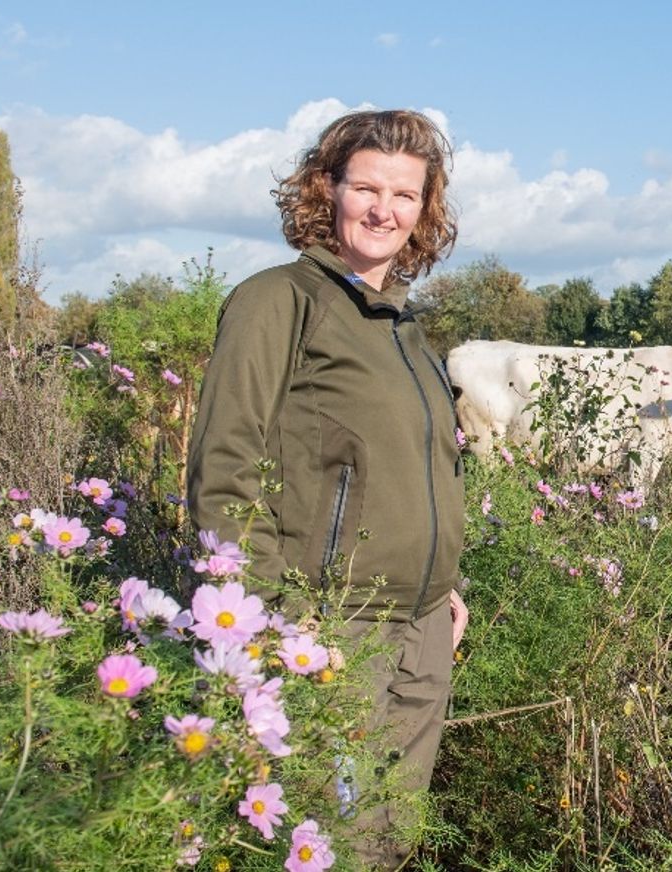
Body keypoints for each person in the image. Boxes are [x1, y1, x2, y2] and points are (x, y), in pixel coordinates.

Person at [186, 108, 470, 867]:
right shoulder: (279, 301)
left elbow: (422, 470)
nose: (384, 209)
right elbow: (223, 466)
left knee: (392, 838)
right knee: (326, 838)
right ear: (326, 191)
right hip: (331, 631)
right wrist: (272, 616)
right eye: (366, 188)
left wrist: (444, 585)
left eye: (405, 195)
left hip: (421, 633)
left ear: (424, 211)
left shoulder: (403, 327)